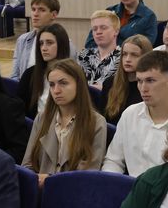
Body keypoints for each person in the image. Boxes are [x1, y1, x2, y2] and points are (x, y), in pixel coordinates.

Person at [22, 59, 107, 187]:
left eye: (63, 83)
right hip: (39, 192)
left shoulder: (96, 122)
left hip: (74, 194)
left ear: (79, 85)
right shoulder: (42, 118)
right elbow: (27, 165)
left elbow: (89, 174)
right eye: (52, 85)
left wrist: (50, 181)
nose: (56, 90)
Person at [102, 51, 168, 176]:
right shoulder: (130, 114)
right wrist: (112, 184)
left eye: (150, 80)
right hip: (129, 186)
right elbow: (113, 161)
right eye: (139, 81)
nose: (143, 88)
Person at [10, 0, 75, 79]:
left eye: (42, 10)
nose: (35, 14)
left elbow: (71, 76)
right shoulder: (22, 40)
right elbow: (15, 75)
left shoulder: (66, 43)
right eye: (33, 9)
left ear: (54, 15)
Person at [85, 0, 157, 47]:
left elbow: (146, 45)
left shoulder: (148, 16)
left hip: (129, 53)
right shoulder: (109, 12)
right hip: (103, 52)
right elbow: (90, 42)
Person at [18, 23, 72, 117]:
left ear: (61, 44)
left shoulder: (74, 74)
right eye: (41, 43)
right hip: (35, 124)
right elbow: (18, 109)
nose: (44, 48)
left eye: (49, 43)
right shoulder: (30, 74)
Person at [99, 34, 152, 123]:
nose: (127, 59)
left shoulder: (150, 88)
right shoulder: (109, 83)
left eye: (134, 55)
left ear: (146, 58)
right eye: (124, 54)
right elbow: (103, 120)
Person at [79, 10, 122, 88]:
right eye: (94, 29)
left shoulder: (123, 57)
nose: (98, 32)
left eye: (103, 28)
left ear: (116, 31)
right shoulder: (83, 55)